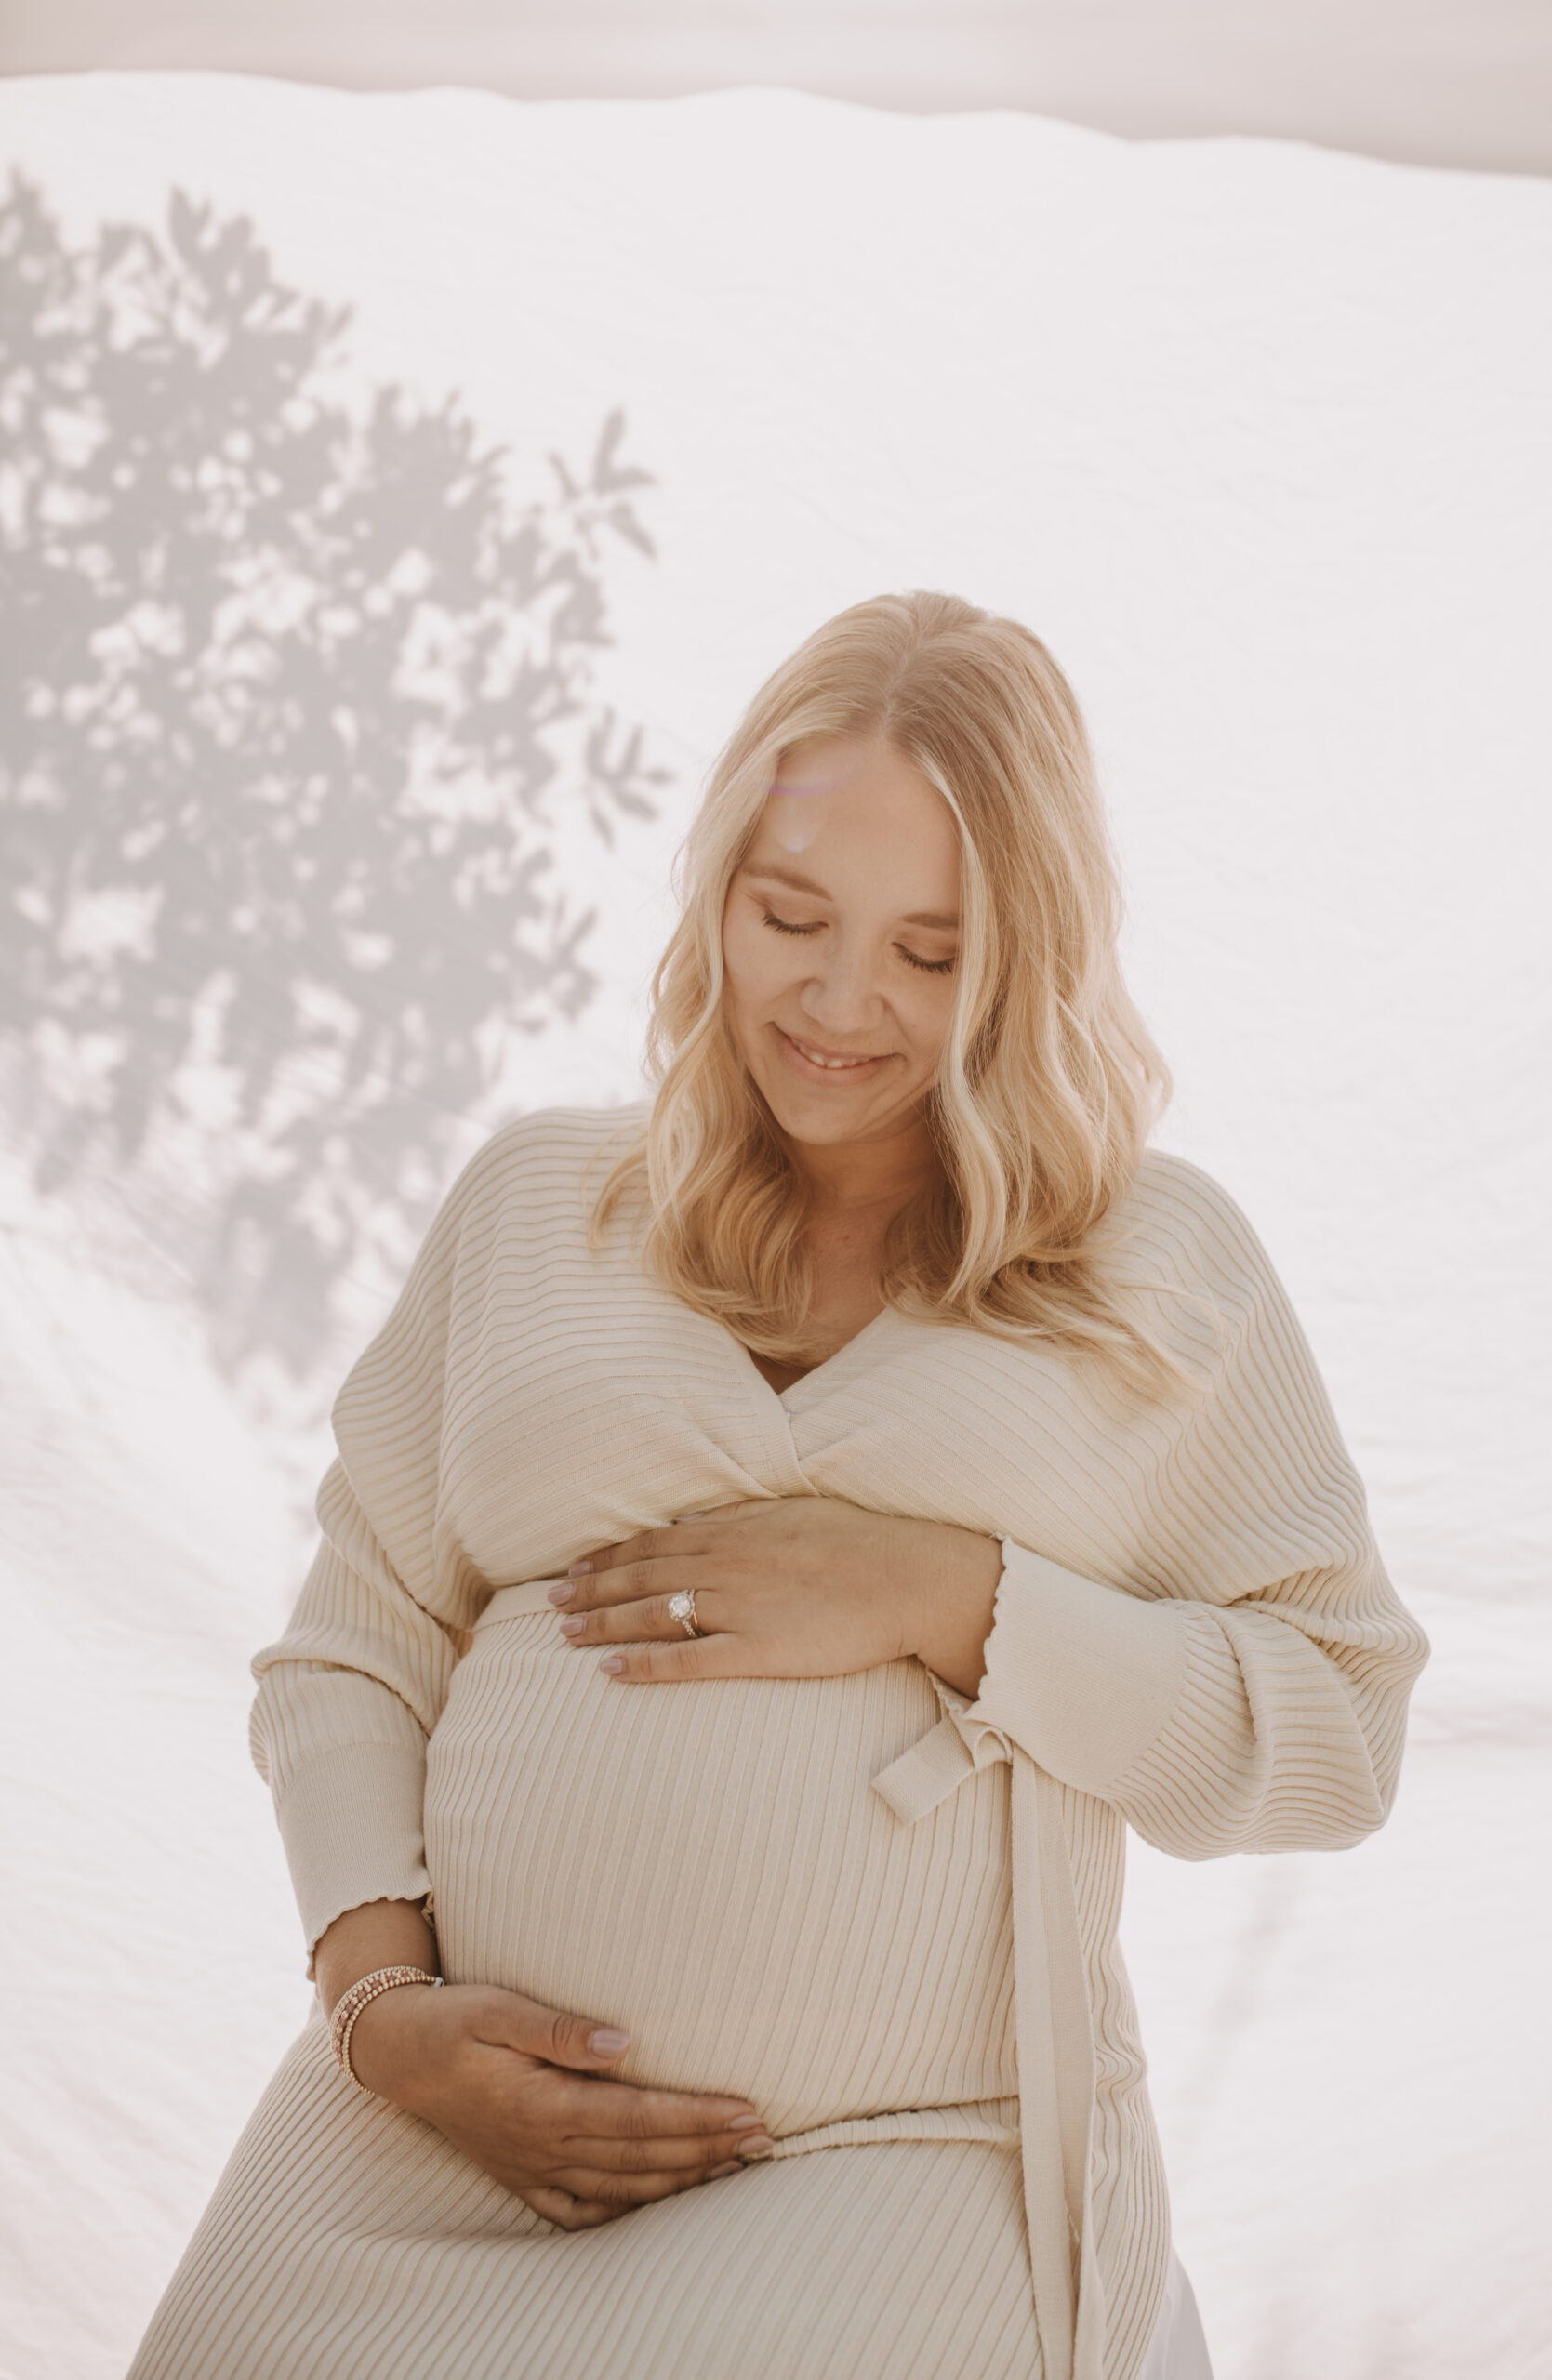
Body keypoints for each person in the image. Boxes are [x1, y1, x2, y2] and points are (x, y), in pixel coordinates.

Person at [128, 591, 1429, 2380]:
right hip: (433, 2138)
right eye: (790, 916)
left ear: (1025, 956)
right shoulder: (537, 1207)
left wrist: (953, 1597)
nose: (837, 1001)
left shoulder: (1156, 1270)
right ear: (717, 895)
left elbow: (1340, 1732)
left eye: (927, 950)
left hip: (905, 2151)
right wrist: (385, 2015)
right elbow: (351, 1649)